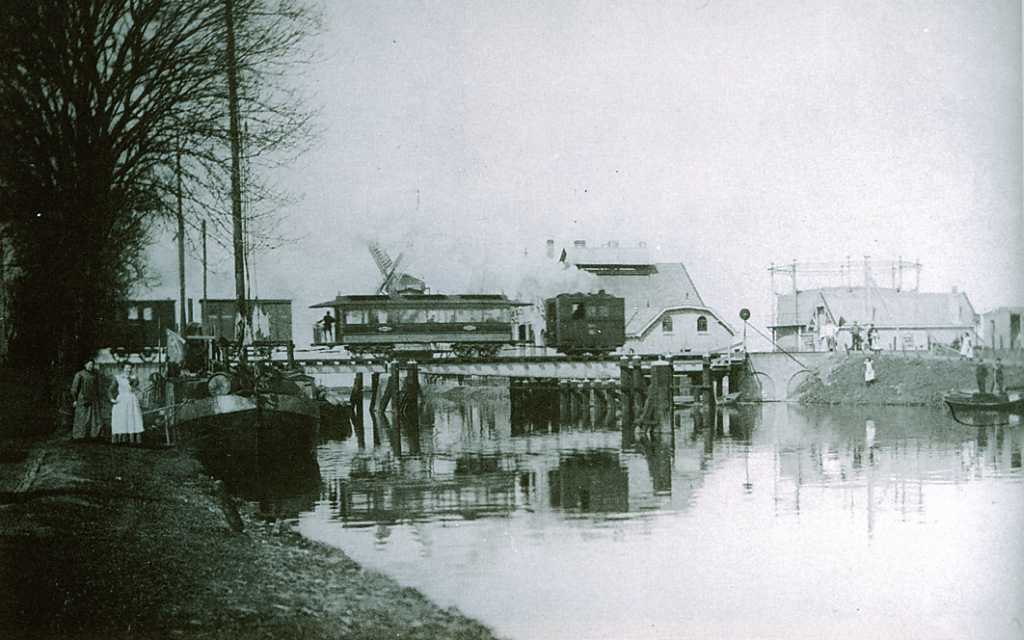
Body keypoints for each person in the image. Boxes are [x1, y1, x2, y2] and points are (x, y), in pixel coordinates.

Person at [109, 363, 144, 445]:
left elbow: (134, 386)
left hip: (132, 399)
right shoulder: (118, 377)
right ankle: (120, 440)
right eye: (126, 368)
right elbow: (110, 390)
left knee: (133, 418)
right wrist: (112, 399)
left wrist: (131, 379)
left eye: (130, 368)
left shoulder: (134, 378)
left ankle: (133, 440)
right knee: (122, 418)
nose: (128, 370)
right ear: (123, 369)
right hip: (122, 400)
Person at [70, 358, 102, 441]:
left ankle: (92, 435)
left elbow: (97, 387)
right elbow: (74, 388)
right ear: (85, 365)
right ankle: (79, 436)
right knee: (81, 417)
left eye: (92, 364)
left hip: (93, 399)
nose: (91, 366)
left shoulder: (94, 375)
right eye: (89, 364)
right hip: (82, 399)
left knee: (93, 418)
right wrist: (74, 399)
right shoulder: (79, 374)